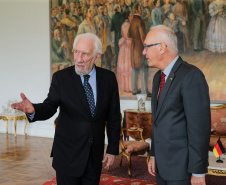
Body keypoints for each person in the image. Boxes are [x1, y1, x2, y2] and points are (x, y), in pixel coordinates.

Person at [11, 33, 121, 185]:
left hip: (94, 156)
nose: (78, 59)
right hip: (68, 155)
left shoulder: (108, 79)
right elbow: (49, 107)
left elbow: (114, 116)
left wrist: (112, 149)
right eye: (76, 52)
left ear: (96, 57)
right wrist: (33, 110)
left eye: (85, 54)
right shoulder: (61, 78)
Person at [142, 25, 211, 185]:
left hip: (182, 168)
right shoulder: (157, 78)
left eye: (146, 47)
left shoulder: (191, 76)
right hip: (161, 166)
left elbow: (199, 128)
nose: (144, 52)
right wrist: (153, 155)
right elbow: (157, 122)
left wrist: (198, 171)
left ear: (161, 48)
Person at [117, 11, 132, 92]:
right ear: (128, 16)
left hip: (123, 45)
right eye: (130, 15)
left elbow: (123, 34)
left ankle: (124, 86)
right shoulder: (130, 25)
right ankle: (128, 86)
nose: (131, 16)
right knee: (128, 64)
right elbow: (130, 34)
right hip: (128, 44)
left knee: (124, 64)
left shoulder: (123, 25)